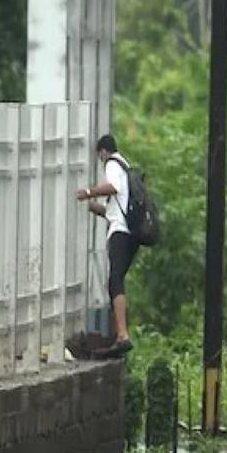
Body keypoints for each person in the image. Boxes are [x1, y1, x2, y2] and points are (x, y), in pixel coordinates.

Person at [74, 134, 138, 357]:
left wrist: (88, 192)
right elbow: (114, 211)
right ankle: (118, 334)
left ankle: (122, 335)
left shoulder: (112, 164)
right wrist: (93, 206)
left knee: (115, 280)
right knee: (115, 282)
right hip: (129, 232)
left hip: (120, 233)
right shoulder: (125, 166)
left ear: (102, 152)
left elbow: (112, 187)